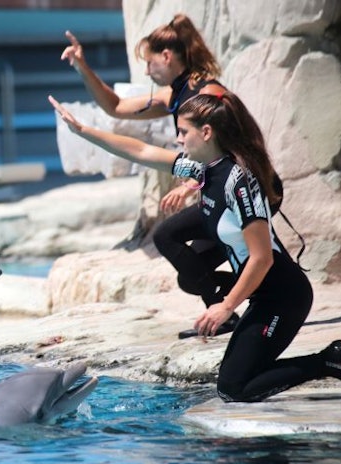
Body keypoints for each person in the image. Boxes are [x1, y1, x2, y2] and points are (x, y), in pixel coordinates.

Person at [48, 91, 341, 402]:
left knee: (234, 388)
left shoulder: (240, 183)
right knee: (234, 382)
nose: (177, 140)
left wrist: (225, 307)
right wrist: (84, 132)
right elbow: (141, 151)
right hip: (262, 295)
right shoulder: (203, 170)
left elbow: (262, 258)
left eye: (183, 132)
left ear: (206, 132)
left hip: (284, 296)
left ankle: (327, 359)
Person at [61, 14, 272, 338]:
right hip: (218, 193)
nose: (146, 71)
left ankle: (243, 303)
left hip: (241, 192)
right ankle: (232, 305)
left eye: (148, 63)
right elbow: (115, 107)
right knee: (189, 275)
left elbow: (233, 149)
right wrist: (81, 67)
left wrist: (190, 184)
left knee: (175, 240)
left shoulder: (208, 95)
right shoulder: (173, 95)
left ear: (167, 56)